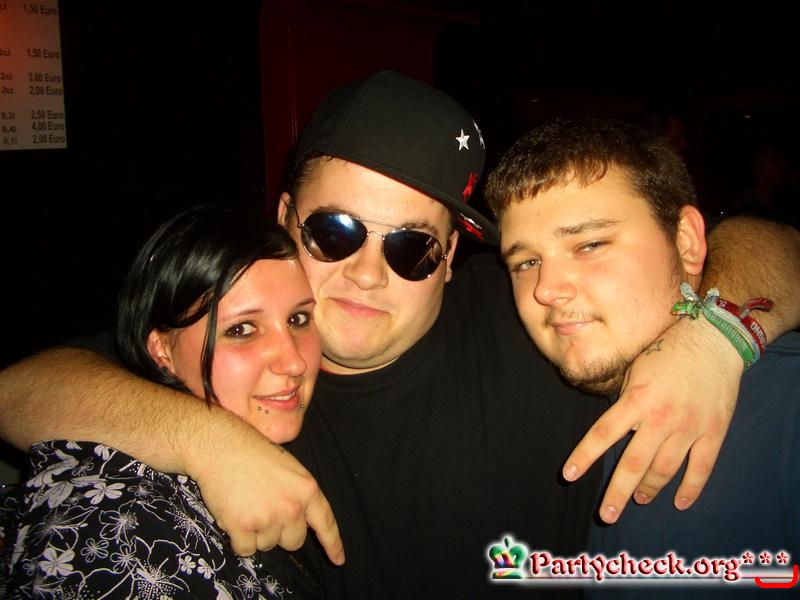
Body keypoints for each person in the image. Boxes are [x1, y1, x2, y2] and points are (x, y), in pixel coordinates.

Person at [1, 71, 800, 599]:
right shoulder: (231, 367)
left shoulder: (538, 315)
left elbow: (771, 244)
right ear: (285, 220)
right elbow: (18, 389)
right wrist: (207, 441)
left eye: (411, 247)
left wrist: (715, 336)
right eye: (335, 231)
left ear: (450, 258)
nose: (366, 274)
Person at [485, 115, 799, 596]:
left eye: (589, 244)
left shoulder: (787, 408)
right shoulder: (550, 381)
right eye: (526, 261)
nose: (545, 289)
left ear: (687, 242)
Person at [0, 202, 325, 599]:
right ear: (162, 351)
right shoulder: (121, 527)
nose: (294, 361)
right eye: (242, 329)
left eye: (298, 319)